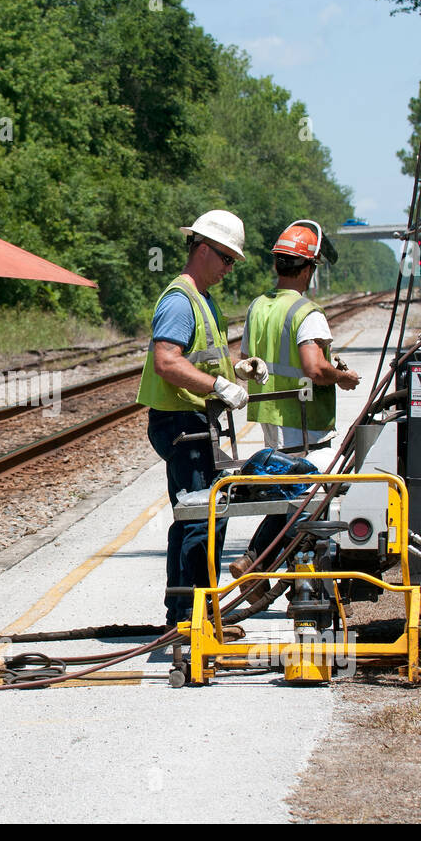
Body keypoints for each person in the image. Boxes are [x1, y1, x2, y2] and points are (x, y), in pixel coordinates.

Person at [136, 209, 268, 625]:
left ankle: (188, 613)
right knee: (201, 518)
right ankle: (192, 619)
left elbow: (201, 359)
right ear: (203, 249)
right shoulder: (179, 301)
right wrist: (217, 388)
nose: (230, 268)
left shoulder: (202, 300)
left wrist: (236, 371)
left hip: (193, 423)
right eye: (227, 258)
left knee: (198, 515)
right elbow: (167, 362)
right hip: (181, 424)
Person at [232, 219, 360, 584]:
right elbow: (314, 369)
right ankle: (265, 566)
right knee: (306, 493)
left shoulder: (258, 306)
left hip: (270, 415)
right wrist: (343, 377)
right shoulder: (308, 312)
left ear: (277, 265)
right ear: (308, 269)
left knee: (290, 490)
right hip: (304, 419)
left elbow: (246, 359)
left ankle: (259, 569)